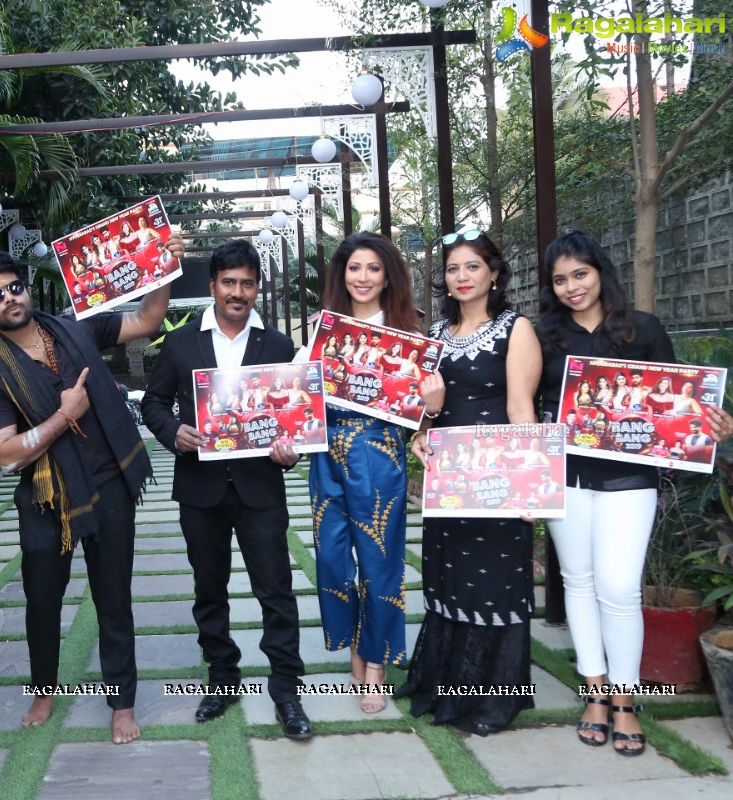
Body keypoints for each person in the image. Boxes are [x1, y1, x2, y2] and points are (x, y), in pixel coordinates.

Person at [0, 237, 181, 745]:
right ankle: (43, 689)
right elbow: (7, 453)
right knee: (42, 599)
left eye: (15, 288)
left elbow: (146, 321)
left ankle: (121, 702)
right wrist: (64, 416)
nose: (10, 299)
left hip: (109, 485)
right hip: (45, 501)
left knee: (113, 598)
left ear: (28, 289)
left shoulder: (76, 329)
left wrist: (163, 265)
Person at [535, 229, 733, 755]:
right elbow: (526, 403)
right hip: (567, 477)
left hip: (628, 479)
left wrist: (711, 425)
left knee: (619, 589)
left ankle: (625, 701)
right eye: (560, 280)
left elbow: (678, 407)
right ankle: (595, 694)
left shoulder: (643, 329)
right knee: (578, 581)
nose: (572, 287)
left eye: (580, 274)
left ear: (600, 271)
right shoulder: (545, 336)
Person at [142, 239, 312, 738]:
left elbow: (294, 419)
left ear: (257, 287)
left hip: (261, 488)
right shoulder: (181, 343)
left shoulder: (279, 347)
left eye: (247, 283)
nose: (238, 292)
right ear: (213, 285)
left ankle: (287, 690)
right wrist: (173, 432)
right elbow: (153, 404)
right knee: (208, 591)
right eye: (229, 282)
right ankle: (222, 678)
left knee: (276, 592)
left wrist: (291, 448)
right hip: (202, 489)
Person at [401, 229, 543, 736]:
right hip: (450, 480)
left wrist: (529, 486)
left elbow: (521, 408)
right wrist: (423, 430)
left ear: (494, 274)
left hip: (498, 480)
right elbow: (426, 408)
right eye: (453, 268)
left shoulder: (515, 328)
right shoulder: (436, 335)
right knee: (450, 577)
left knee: (494, 580)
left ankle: (492, 697)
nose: (461, 277)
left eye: (472, 267)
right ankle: (444, 682)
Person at [302, 232, 423, 714]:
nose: (364, 277)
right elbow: (298, 389)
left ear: (388, 275)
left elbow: (421, 406)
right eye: (355, 268)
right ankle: (353, 643)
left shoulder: (407, 333)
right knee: (331, 560)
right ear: (342, 275)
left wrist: (429, 410)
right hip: (326, 454)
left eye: (374, 268)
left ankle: (374, 661)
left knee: (378, 563)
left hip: (379, 455)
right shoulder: (322, 329)